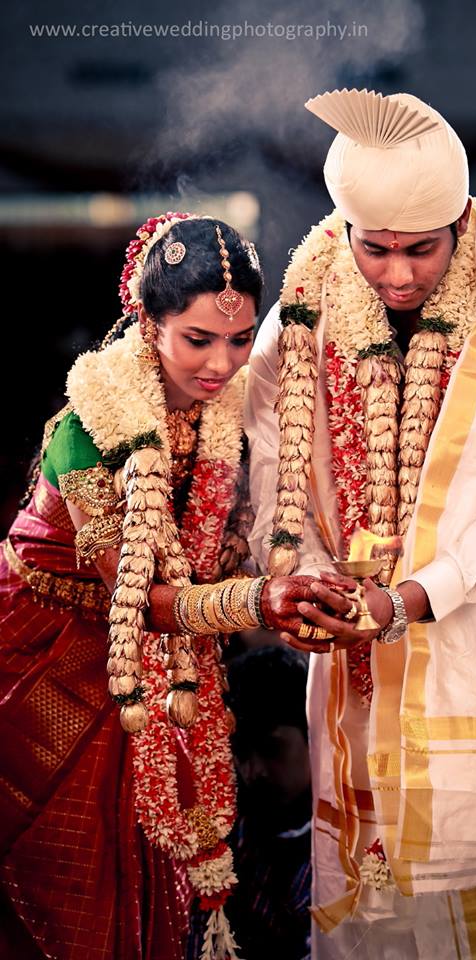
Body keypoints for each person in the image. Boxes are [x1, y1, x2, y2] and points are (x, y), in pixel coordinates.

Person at [246, 90, 476, 958]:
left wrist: (410, 598)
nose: (398, 276)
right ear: (344, 228)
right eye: (377, 249)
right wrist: (312, 587)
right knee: (373, 904)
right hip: (355, 653)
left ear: (462, 222)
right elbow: (274, 491)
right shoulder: (295, 322)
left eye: (421, 251)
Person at [0, 212, 319, 960]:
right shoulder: (94, 426)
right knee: (60, 884)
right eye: (198, 340)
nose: (221, 363)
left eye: (240, 340)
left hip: (160, 673)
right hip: (47, 660)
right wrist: (257, 602)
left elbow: (233, 549)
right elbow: (140, 600)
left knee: (154, 866)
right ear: (149, 323)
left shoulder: (229, 417)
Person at [188, 645, 312, 960]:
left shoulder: (346, 844)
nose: (252, 771)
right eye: (241, 751)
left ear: (316, 738)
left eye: (272, 749)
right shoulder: (218, 831)